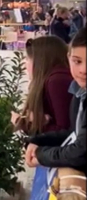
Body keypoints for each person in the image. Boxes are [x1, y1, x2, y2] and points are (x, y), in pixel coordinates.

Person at [25, 27, 86, 174]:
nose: (83, 69)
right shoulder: (78, 89)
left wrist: (41, 154)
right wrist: (38, 141)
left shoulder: (57, 81)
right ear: (68, 57)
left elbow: (80, 151)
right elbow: (73, 133)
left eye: (27, 58)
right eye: (77, 61)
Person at [13, 36, 73, 136]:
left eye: (28, 58)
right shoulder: (53, 79)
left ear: (40, 60)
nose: (25, 64)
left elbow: (64, 132)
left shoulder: (57, 81)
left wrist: (23, 123)